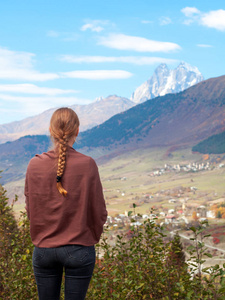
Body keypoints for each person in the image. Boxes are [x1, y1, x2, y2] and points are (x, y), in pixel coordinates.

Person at [24, 107, 107, 300]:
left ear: (51, 131)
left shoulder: (34, 165)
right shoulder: (88, 164)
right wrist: (89, 238)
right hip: (79, 248)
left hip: (44, 248)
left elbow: (30, 209)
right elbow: (99, 211)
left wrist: (42, 236)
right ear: (77, 131)